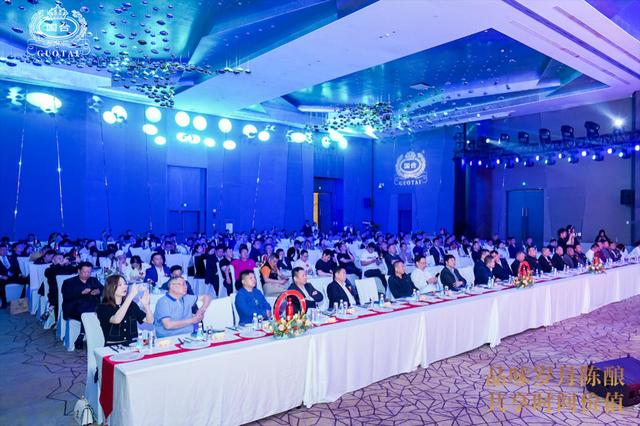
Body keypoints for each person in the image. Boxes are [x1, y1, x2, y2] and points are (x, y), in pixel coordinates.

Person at [96, 275, 153, 346]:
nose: (125, 287)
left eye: (125, 284)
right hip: (113, 346)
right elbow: (116, 320)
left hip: (132, 345)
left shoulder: (131, 305)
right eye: (120, 285)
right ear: (111, 287)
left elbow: (149, 321)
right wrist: (130, 296)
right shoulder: (103, 307)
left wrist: (146, 305)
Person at [61, 262, 104, 349]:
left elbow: (103, 289)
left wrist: (98, 291)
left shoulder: (93, 280)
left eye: (89, 272)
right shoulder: (69, 282)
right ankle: (85, 337)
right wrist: (81, 293)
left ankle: (81, 336)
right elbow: (67, 296)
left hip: (91, 308)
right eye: (84, 272)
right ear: (79, 271)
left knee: (95, 311)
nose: (87, 274)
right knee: (90, 312)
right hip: (74, 308)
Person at [43, 253, 77, 318]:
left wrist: (75, 261)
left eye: (62, 258)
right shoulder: (49, 270)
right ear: (53, 261)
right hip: (56, 293)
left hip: (69, 291)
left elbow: (78, 269)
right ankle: (56, 318)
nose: (62, 260)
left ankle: (51, 308)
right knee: (57, 295)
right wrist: (60, 265)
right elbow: (47, 273)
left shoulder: (68, 268)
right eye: (59, 258)